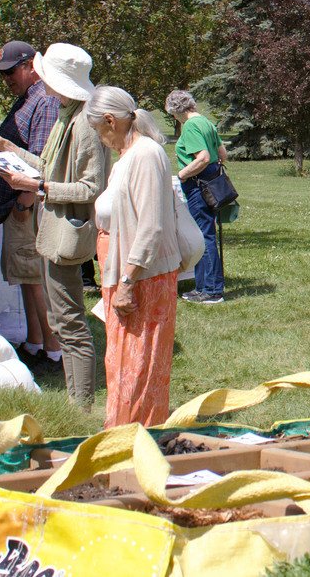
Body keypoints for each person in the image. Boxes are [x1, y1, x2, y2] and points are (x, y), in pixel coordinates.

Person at [0, 43, 107, 407]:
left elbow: (91, 188)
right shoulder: (67, 115)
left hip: (67, 233)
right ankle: (76, 402)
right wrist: (6, 147)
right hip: (53, 231)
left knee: (71, 325)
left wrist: (38, 188)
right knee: (62, 322)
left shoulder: (84, 124)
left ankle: (81, 407)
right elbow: (46, 165)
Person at [86, 86, 184, 427]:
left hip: (142, 277)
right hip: (125, 273)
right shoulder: (128, 156)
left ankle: (136, 436)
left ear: (110, 121)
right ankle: (121, 434)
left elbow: (151, 226)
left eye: (98, 130)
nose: (100, 138)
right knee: (123, 364)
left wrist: (128, 281)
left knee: (139, 367)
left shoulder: (146, 155)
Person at [0, 40, 63, 371]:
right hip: (19, 202)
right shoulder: (29, 97)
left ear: (29, 66)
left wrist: (25, 202)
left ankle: (54, 352)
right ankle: (35, 342)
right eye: (2, 73)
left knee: (36, 276)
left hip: (29, 204)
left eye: (10, 71)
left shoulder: (44, 100)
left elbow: (41, 162)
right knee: (26, 276)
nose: (6, 79)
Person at [165, 90, 228, 304]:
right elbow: (222, 155)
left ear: (175, 110)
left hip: (198, 185)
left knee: (203, 236)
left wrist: (181, 175)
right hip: (211, 183)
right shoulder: (206, 122)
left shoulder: (190, 125)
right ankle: (204, 286)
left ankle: (211, 290)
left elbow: (203, 157)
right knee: (207, 233)